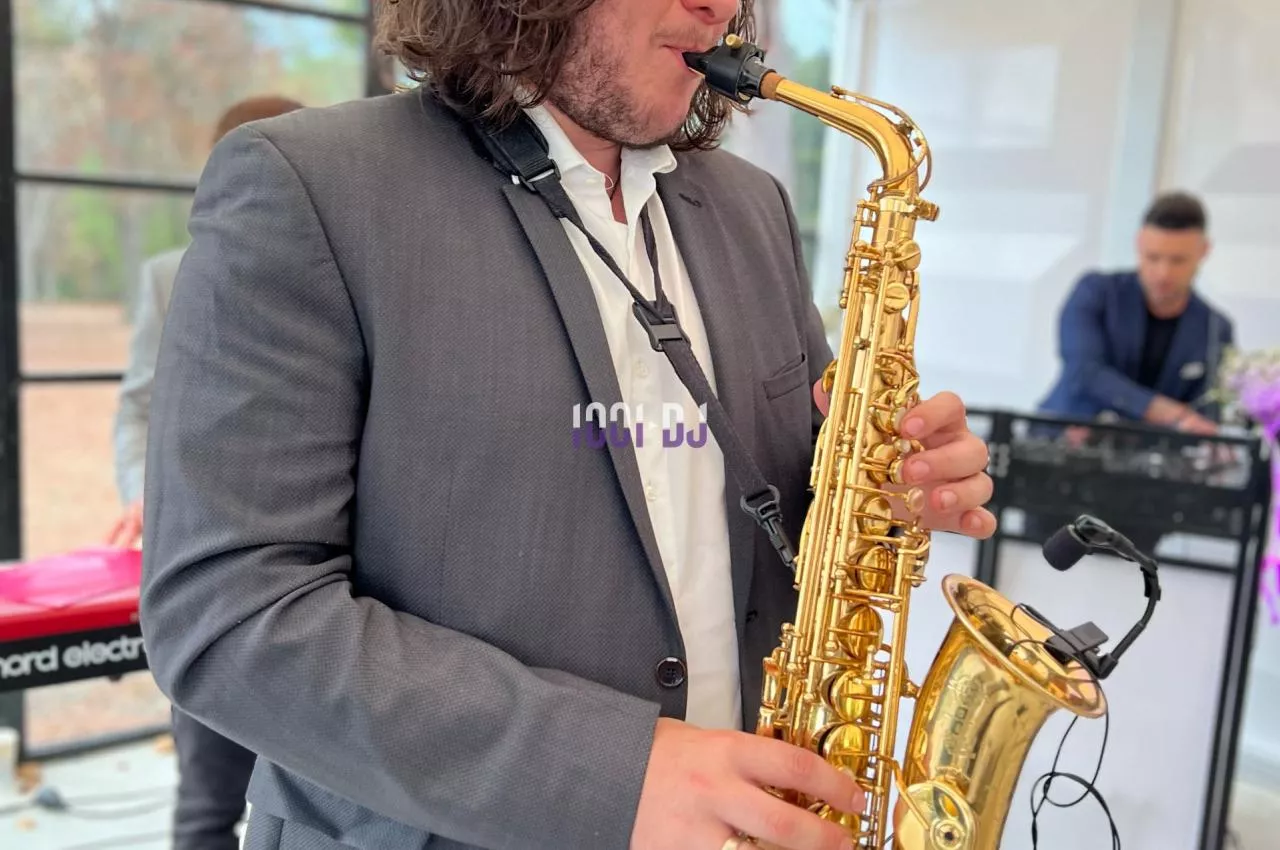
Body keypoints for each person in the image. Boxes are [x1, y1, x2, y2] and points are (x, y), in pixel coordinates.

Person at [137, 3, 996, 850]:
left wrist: (876, 489)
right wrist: (612, 777)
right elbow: (230, 616)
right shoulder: (309, 184)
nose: (722, 8)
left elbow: (767, 504)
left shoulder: (754, 208)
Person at [107, 95, 304, 850]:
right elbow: (138, 406)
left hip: (327, 586)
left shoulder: (357, 271)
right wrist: (145, 493)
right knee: (206, 803)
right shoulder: (170, 277)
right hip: (214, 574)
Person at [1037, 191, 1235, 434]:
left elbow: (1207, 411)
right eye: (1153, 257)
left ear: (1204, 251)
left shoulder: (1215, 328)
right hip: (1059, 441)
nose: (1163, 273)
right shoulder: (1096, 293)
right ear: (1139, 243)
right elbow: (1083, 371)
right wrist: (1173, 414)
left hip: (1153, 455)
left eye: (1178, 261)